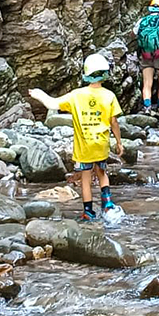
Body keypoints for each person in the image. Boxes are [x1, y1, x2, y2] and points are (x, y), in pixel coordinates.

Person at [28, 53, 124, 222]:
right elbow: (114, 122)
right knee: (102, 173)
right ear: (105, 74)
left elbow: (52, 103)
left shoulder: (76, 95)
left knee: (86, 178)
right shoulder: (109, 96)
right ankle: (107, 204)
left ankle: (88, 211)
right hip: (101, 144)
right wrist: (119, 142)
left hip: (84, 147)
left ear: (86, 74)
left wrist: (39, 94)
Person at [134, 0, 159, 113]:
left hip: (145, 54)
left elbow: (133, 34)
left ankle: (147, 107)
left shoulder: (142, 21)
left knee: (147, 82)